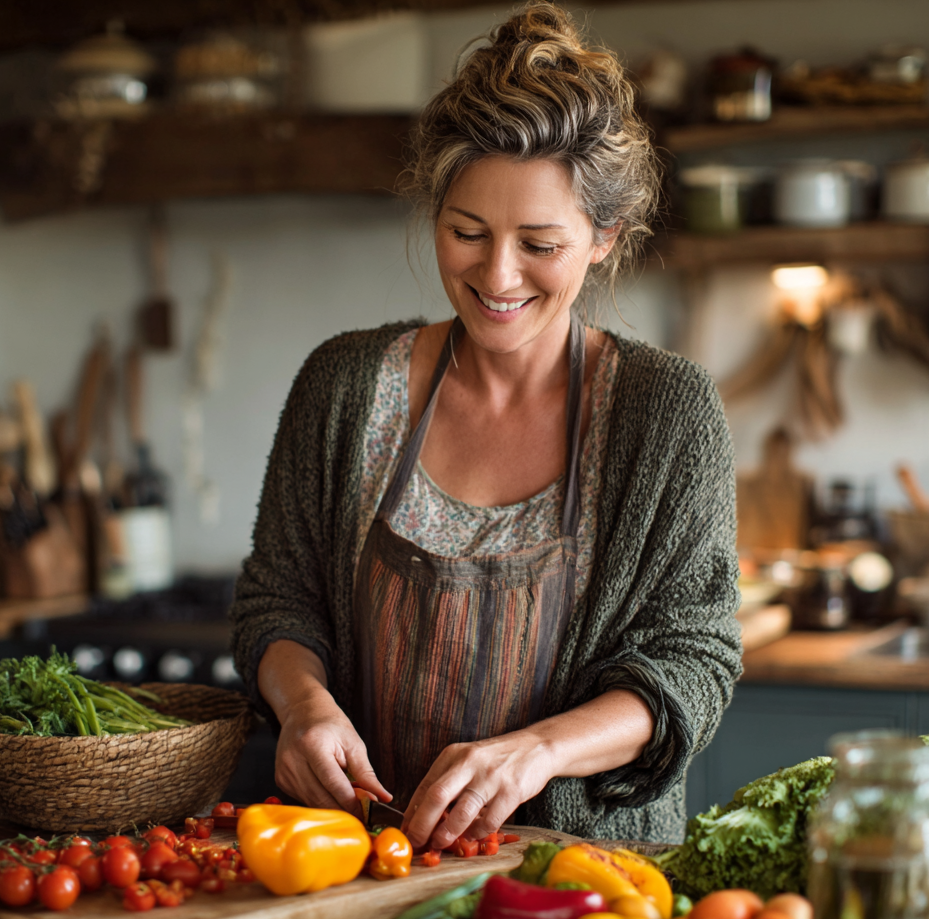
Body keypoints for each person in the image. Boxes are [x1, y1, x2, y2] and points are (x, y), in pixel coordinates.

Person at [230, 1, 741, 849]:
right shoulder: (346, 385)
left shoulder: (668, 413)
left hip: (586, 883)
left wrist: (537, 754)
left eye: (539, 243)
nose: (497, 275)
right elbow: (277, 601)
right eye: (467, 232)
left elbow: (693, 660)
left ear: (604, 237)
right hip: (357, 866)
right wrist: (303, 707)